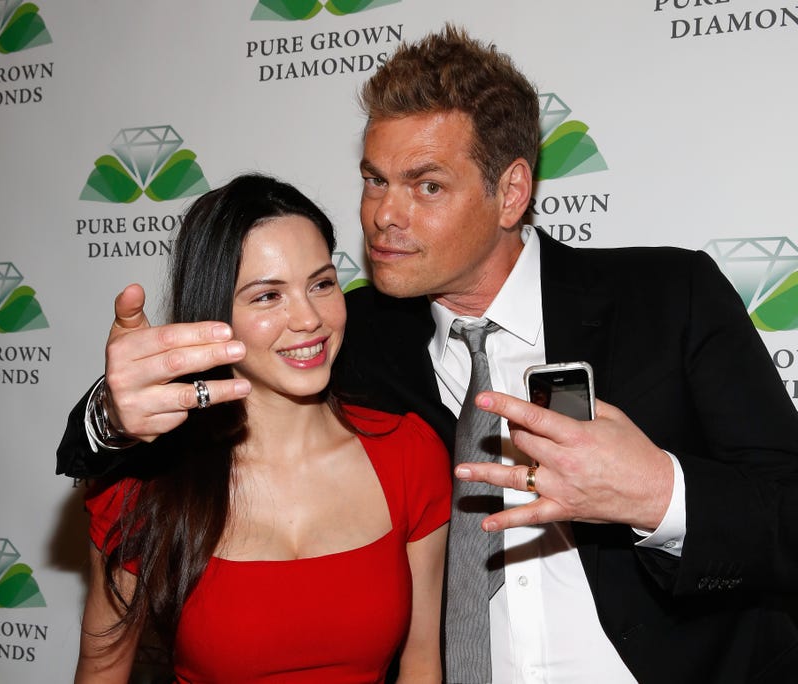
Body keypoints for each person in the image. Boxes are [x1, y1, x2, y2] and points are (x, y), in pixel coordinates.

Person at [58, 25, 798, 683]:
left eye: (426, 185)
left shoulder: (668, 297)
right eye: (375, 179)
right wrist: (106, 410)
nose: (385, 214)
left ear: (510, 194)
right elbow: (155, 445)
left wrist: (658, 495)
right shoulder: (346, 336)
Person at [73, 174, 450, 683]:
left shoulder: (408, 453)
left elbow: (422, 666)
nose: (308, 319)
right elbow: (101, 674)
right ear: (214, 315)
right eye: (267, 297)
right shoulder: (149, 483)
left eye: (321, 283)